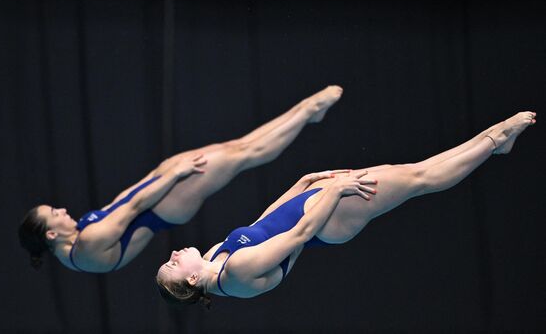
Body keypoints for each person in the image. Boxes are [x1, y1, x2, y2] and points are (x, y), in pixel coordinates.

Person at [156, 111, 536, 305]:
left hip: (316, 203)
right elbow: (298, 235)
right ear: (191, 282)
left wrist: (304, 181)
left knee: (409, 171)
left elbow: (264, 222)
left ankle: (494, 141)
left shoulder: (212, 258)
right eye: (173, 263)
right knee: (420, 179)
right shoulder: (233, 275)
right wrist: (335, 192)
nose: (174, 253)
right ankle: (494, 141)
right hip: (327, 220)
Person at [18, 85, 344, 272]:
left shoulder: (77, 238)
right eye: (55, 214)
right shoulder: (86, 247)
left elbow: (121, 200)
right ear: (50, 233)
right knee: (245, 154)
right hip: (166, 204)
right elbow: (133, 208)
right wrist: (173, 174)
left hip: (158, 189)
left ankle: (306, 113)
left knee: (237, 147)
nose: (62, 210)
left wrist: (159, 172)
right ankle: (306, 112)